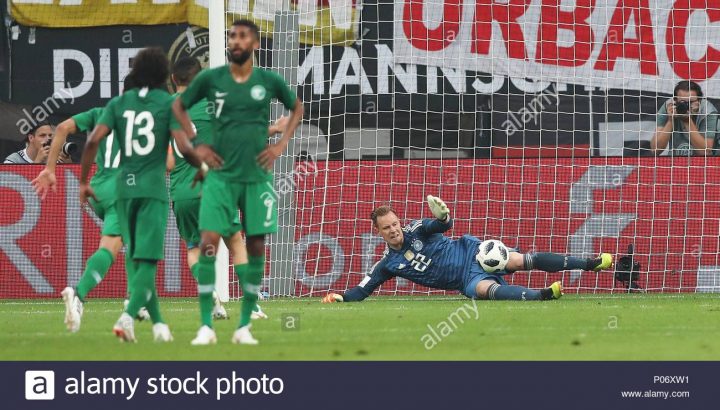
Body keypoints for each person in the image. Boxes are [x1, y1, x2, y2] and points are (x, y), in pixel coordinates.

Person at [172, 19, 303, 345]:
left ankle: (228, 309)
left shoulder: (176, 110)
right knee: (234, 243)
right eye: (232, 37)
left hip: (197, 187)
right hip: (220, 181)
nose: (235, 42)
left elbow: (170, 155)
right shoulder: (214, 91)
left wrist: (278, 140)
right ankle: (234, 312)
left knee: (209, 246)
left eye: (242, 37)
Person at [80, 47, 217, 343]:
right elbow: (183, 147)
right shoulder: (168, 104)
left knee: (137, 259)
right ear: (161, 76)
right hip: (152, 189)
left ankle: (158, 324)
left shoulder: (119, 104)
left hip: (123, 191)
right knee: (149, 259)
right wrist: (202, 167)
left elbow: (92, 141)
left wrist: (82, 181)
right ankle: (128, 315)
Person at [322, 196, 613, 303]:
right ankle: (542, 295)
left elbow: (442, 226)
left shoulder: (416, 229)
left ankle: (590, 263)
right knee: (484, 291)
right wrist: (340, 297)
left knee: (519, 260)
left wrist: (444, 216)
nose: (394, 229)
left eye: (395, 223)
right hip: (464, 280)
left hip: (473, 252)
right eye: (387, 228)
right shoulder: (388, 263)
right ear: (379, 233)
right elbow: (362, 289)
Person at [167, 56, 284, 321]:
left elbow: (167, 160)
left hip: (182, 192)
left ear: (174, 80)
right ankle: (252, 305)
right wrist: (274, 128)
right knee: (235, 242)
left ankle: (208, 291)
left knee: (195, 248)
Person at [31, 74, 150, 333]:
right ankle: (80, 294)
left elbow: (61, 128)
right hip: (124, 188)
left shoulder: (100, 112)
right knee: (111, 247)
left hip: (99, 188)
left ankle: (135, 298)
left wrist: (50, 169)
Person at [649, 80, 719, 156]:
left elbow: (705, 152)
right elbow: (655, 150)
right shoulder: (668, 107)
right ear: (675, 101)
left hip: (705, 162)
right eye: (683, 102)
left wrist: (687, 121)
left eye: (691, 102)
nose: (687, 106)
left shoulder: (708, 111)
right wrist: (670, 120)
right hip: (676, 160)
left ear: (699, 101)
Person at [4, 122, 70, 164]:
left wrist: (68, 164)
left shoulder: (54, 158)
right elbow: (8, 185)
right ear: (31, 138)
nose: (48, 139)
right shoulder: (13, 160)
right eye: (42, 135)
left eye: (50, 135)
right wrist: (37, 162)